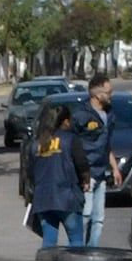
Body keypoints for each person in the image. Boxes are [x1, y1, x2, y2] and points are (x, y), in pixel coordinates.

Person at [68, 73, 117, 246]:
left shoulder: (109, 114)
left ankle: (92, 250)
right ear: (97, 94)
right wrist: (79, 173)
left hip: (101, 172)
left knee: (98, 219)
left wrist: (115, 168)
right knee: (85, 214)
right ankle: (77, 248)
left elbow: (107, 144)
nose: (111, 96)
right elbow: (71, 144)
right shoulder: (80, 115)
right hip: (86, 173)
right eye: (108, 92)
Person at [27, 99, 84, 247]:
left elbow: (30, 173)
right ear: (65, 121)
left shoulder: (36, 144)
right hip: (67, 198)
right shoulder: (70, 140)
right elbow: (81, 164)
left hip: (43, 200)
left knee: (49, 240)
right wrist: (85, 181)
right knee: (76, 240)